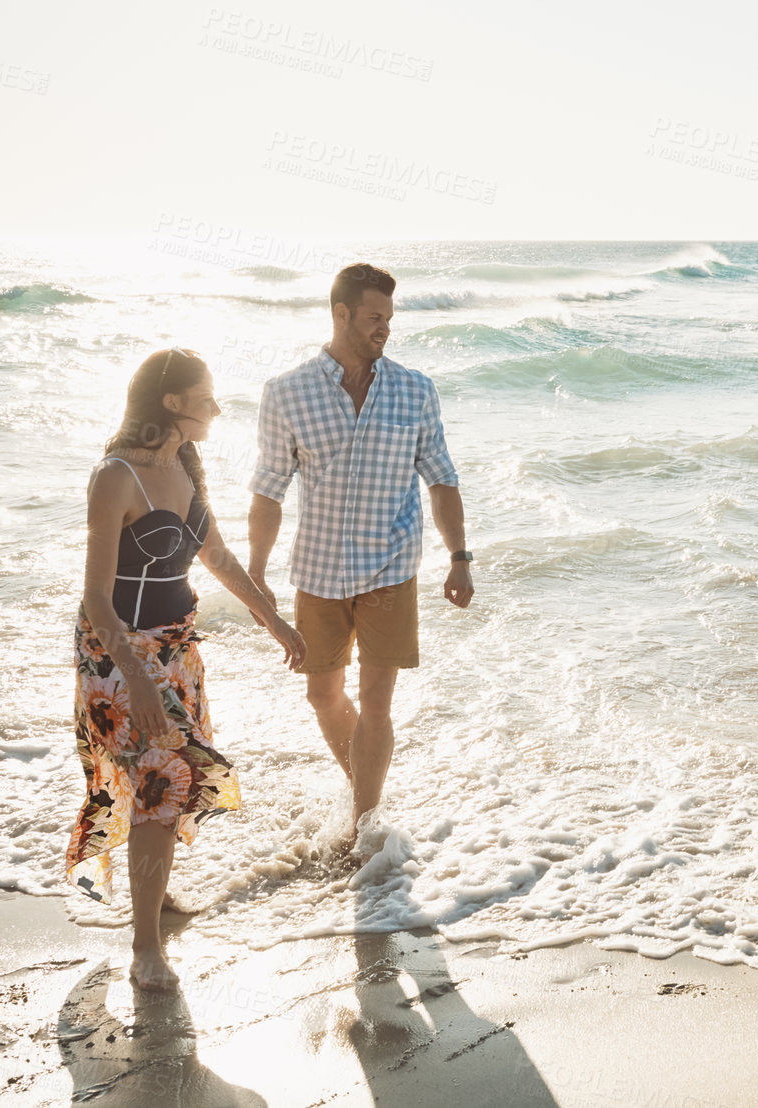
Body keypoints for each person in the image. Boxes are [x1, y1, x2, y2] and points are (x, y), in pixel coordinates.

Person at [68, 347, 306, 990]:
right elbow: (95, 595)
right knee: (159, 786)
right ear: (172, 403)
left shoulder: (182, 463)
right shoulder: (115, 475)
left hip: (176, 651)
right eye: (206, 398)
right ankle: (145, 947)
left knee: (171, 784)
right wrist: (136, 674)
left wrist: (274, 621)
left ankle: (154, 898)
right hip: (120, 658)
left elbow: (219, 558)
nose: (216, 409)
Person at [248, 263, 473, 839]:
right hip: (318, 571)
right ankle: (365, 783)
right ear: (341, 314)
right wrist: (255, 572)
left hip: (390, 567)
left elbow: (441, 480)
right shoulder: (287, 392)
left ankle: (364, 825)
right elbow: (268, 491)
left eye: (389, 319)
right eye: (374, 318)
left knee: (377, 701)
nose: (384, 330)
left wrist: (459, 557)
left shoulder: (415, 390)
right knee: (323, 694)